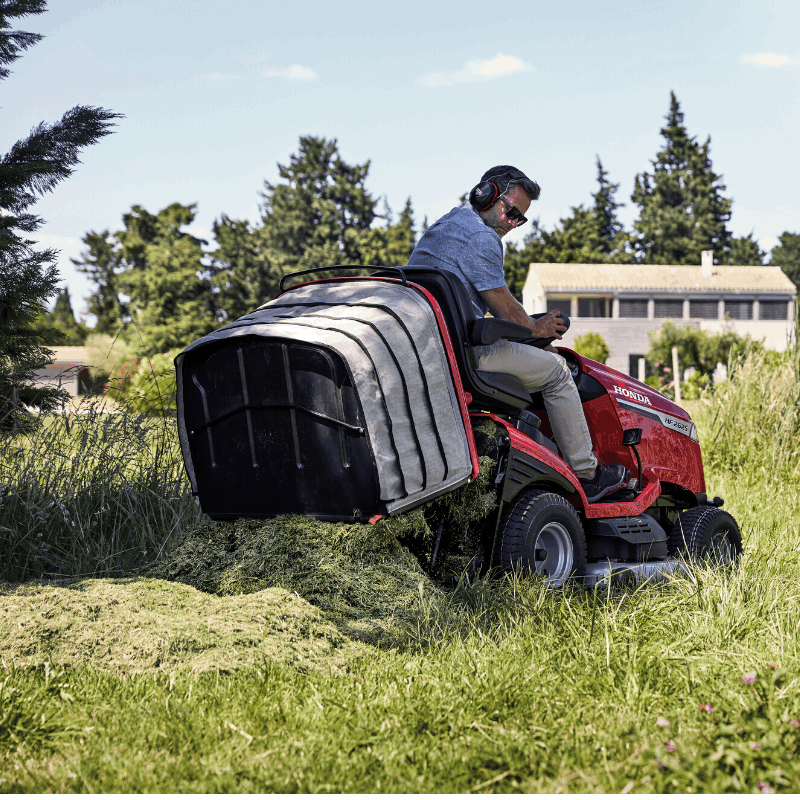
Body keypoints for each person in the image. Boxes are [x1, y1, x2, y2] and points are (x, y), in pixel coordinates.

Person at [407, 165, 627, 503]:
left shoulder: (445, 226)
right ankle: (588, 473)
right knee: (556, 372)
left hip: (436, 348)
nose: (513, 223)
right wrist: (539, 327)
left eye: (520, 219)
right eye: (511, 212)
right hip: (464, 355)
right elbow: (505, 310)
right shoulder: (482, 237)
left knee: (541, 357)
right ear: (487, 194)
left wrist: (530, 329)